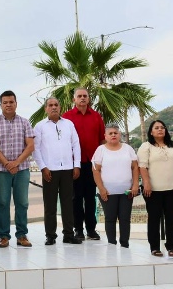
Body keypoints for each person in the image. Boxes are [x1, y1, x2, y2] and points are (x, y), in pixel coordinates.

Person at [0, 90, 35, 248]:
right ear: (0, 105)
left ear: (16, 103)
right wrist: (7, 164)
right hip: (2, 170)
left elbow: (30, 146)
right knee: (3, 202)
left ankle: (22, 235)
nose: (8, 105)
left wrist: (16, 163)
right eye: (5, 102)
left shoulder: (25, 122)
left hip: (22, 170)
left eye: (11, 102)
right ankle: (4, 236)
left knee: (22, 202)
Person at [32, 97, 81, 245]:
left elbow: (76, 144)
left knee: (68, 203)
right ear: (46, 108)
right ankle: (51, 236)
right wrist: (43, 167)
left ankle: (68, 234)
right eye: (50, 105)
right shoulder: (40, 127)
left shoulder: (69, 124)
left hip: (67, 169)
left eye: (56, 105)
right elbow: (36, 149)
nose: (53, 107)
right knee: (50, 204)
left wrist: (76, 165)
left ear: (60, 107)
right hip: (50, 170)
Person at [138, 119, 173, 257]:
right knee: (154, 218)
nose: (160, 129)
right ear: (151, 132)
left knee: (171, 218)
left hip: (172, 189)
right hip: (152, 190)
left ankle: (171, 246)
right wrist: (146, 183)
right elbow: (142, 166)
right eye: (157, 128)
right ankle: (155, 247)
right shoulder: (146, 146)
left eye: (162, 127)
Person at [62, 88, 105, 241]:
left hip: (92, 164)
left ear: (89, 98)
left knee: (90, 197)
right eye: (79, 96)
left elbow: (102, 140)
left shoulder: (96, 117)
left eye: (85, 96)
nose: (82, 98)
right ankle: (78, 229)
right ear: (74, 99)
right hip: (75, 164)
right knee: (76, 198)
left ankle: (91, 230)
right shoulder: (66, 118)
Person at [92, 124, 139, 248]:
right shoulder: (100, 150)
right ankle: (111, 244)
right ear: (105, 136)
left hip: (126, 192)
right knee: (110, 218)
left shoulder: (128, 148)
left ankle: (125, 244)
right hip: (107, 192)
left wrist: (135, 185)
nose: (113, 135)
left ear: (119, 135)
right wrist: (101, 189)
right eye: (110, 133)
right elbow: (96, 171)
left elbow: (135, 167)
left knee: (124, 219)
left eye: (115, 133)